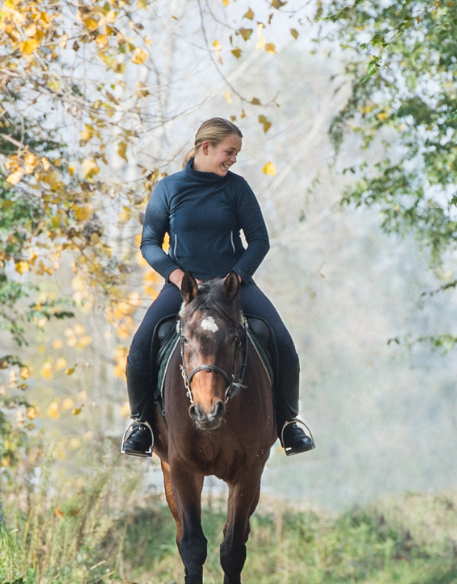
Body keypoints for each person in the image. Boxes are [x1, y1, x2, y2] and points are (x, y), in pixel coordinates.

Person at [121, 116, 315, 458]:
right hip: (186, 288)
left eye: (237, 153)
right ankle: (141, 425)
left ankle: (288, 424)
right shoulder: (168, 189)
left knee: (283, 343)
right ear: (205, 147)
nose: (233, 159)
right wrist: (176, 275)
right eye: (229, 151)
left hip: (231, 287)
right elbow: (149, 243)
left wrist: (237, 277)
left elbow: (258, 240)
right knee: (140, 347)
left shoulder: (237, 188)